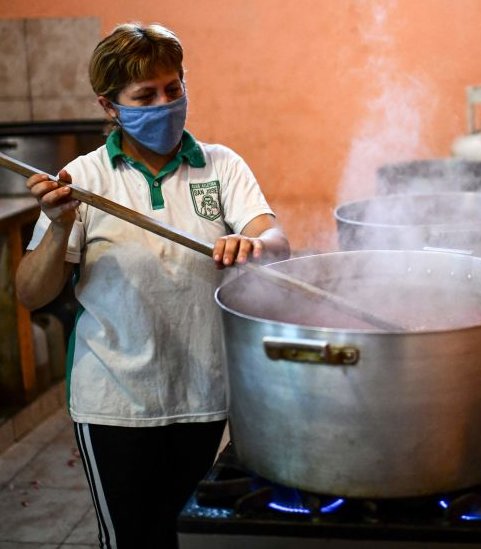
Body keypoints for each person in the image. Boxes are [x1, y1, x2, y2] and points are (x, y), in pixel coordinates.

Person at [15, 22, 290, 549]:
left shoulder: (221, 165)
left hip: (206, 393)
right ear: (110, 105)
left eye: (174, 89)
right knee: (136, 541)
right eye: (145, 95)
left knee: (195, 538)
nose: (165, 104)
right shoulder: (83, 178)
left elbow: (274, 238)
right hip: (117, 404)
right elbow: (31, 293)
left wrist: (255, 246)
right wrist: (60, 226)